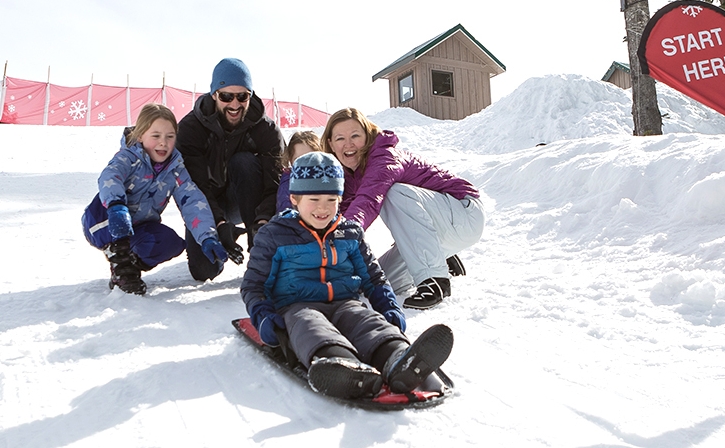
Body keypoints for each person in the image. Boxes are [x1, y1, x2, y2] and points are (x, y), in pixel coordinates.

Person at [240, 152, 454, 399]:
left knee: (367, 322)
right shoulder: (274, 235)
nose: (323, 207)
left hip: (345, 302)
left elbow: (373, 278)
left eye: (332, 199)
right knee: (310, 326)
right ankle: (342, 365)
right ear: (294, 199)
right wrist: (264, 317)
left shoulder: (350, 232)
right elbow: (254, 285)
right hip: (296, 305)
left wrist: (389, 308)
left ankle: (399, 360)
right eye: (314, 198)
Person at [321, 108, 485, 309]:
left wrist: (343, 236)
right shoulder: (347, 176)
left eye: (355, 135)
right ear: (330, 143)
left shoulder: (383, 157)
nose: (348, 144)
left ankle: (435, 280)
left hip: (463, 212)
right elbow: (342, 216)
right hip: (438, 228)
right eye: (340, 138)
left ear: (368, 136)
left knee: (393, 192)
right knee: (372, 282)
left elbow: (367, 201)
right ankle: (442, 256)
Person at [82, 104, 228, 295]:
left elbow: (192, 201)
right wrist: (116, 205)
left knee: (170, 243)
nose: (163, 143)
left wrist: (207, 237)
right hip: (104, 219)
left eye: (170, 136)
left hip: (140, 225)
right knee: (119, 222)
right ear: (141, 135)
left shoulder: (175, 169)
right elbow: (110, 176)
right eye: (156, 136)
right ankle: (120, 265)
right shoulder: (129, 158)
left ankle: (131, 264)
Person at [176, 57, 285, 281]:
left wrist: (262, 222)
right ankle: (219, 243)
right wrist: (218, 223)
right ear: (214, 94)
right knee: (203, 271)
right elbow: (193, 185)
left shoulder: (266, 130)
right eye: (226, 96)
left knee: (244, 161)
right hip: (206, 202)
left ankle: (258, 251)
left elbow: (275, 182)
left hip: (247, 200)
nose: (234, 105)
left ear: (250, 96)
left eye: (242, 96)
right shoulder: (190, 129)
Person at [276, 130, 321, 213]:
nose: (305, 165)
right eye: (298, 160)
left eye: (310, 159)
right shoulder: (288, 182)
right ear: (291, 160)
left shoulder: (327, 179)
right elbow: (285, 210)